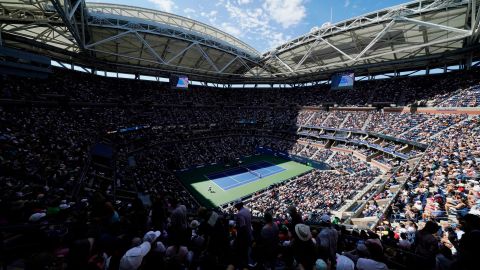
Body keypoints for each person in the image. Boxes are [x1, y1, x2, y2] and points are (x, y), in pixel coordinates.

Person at [234, 199, 252, 269]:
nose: (235, 207)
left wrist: (238, 239)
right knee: (246, 252)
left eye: (236, 205)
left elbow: (242, 227)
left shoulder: (240, 214)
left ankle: (244, 266)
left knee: (243, 253)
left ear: (238, 205)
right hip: (249, 234)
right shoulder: (247, 210)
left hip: (244, 237)